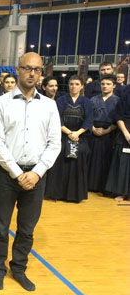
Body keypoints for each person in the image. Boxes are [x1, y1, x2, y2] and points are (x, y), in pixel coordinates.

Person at [0, 52, 61, 291]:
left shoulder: (50, 106)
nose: (32, 73)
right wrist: (17, 173)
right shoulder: (0, 104)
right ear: (17, 69)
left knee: (27, 230)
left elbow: (54, 143)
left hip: (36, 176)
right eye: (27, 68)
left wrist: (37, 172)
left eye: (37, 69)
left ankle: (18, 268)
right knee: (0, 227)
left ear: (41, 74)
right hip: (7, 175)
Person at [45, 75, 93, 203]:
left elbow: (89, 121)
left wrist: (77, 133)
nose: (74, 86)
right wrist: (68, 132)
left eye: (77, 84)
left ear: (82, 86)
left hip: (79, 137)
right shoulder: (61, 100)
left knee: (76, 166)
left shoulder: (86, 102)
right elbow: (57, 118)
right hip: (63, 136)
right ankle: (55, 193)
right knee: (59, 165)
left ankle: (74, 195)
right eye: (71, 84)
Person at [87, 74, 119, 193]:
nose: (105, 86)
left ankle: (102, 186)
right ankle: (89, 185)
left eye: (108, 84)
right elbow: (87, 116)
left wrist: (107, 130)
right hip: (93, 132)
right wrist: (93, 128)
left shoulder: (117, 101)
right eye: (103, 84)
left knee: (105, 160)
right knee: (91, 159)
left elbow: (119, 120)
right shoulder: (93, 99)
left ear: (114, 86)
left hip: (109, 133)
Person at [105, 86, 130, 201]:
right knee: (123, 163)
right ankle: (122, 192)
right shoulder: (126, 93)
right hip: (126, 130)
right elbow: (118, 116)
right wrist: (126, 133)